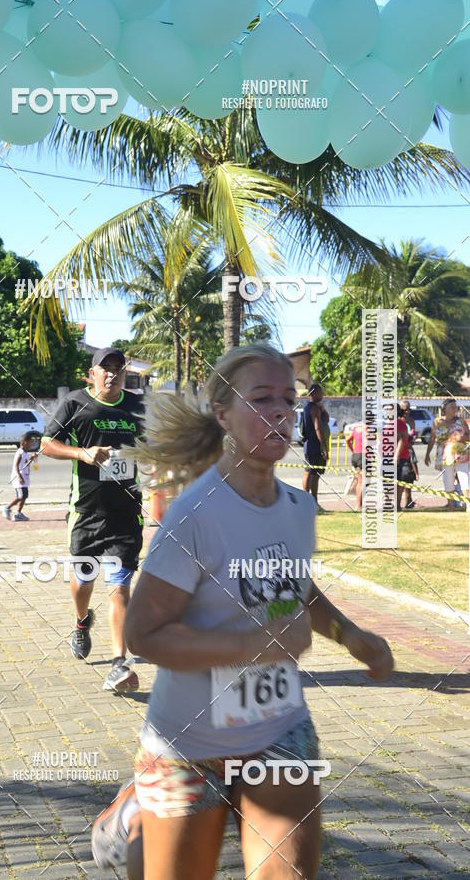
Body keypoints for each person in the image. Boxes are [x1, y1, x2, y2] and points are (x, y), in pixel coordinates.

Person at [91, 344, 394, 878]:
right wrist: (253, 646)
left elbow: (296, 588)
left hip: (279, 728)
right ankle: (133, 814)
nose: (280, 410)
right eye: (261, 399)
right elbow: (143, 634)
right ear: (223, 414)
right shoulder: (195, 516)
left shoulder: (298, 507)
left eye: (287, 398)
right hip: (187, 742)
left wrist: (350, 634)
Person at [40, 348, 145, 692]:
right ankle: (82, 622)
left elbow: (156, 446)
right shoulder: (74, 403)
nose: (113, 374)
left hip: (126, 513)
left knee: (119, 588)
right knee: (85, 581)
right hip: (86, 512)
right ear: (93, 373)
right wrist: (82, 454)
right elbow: (46, 444)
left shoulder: (137, 406)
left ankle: (119, 663)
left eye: (118, 368)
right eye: (106, 368)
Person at [425, 398, 470, 511]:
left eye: (456, 407)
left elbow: (469, 436)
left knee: (464, 479)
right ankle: (451, 507)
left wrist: (463, 438)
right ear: (444, 409)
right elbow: (432, 439)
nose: (455, 409)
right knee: (448, 481)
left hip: (461, 455)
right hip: (445, 456)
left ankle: (468, 506)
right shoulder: (437, 422)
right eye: (452, 407)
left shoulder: (461, 421)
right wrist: (427, 454)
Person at [301, 383, 330, 507]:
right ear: (313, 393)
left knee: (314, 473)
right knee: (311, 473)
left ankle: (312, 500)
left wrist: (323, 410)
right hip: (315, 445)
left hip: (311, 445)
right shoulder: (313, 408)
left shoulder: (313, 407)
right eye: (320, 392)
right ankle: (309, 501)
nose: (322, 394)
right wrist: (324, 447)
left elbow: (326, 420)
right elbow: (318, 428)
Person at [2, 433, 37, 521]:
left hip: (24, 477)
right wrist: (19, 476)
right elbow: (16, 465)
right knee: (20, 496)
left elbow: (25, 464)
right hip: (19, 478)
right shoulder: (20, 452)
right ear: (25, 442)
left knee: (24, 495)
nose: (31, 444)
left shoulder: (25, 453)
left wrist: (32, 458)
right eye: (30, 442)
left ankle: (18, 513)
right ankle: (7, 508)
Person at [345, 421, 365, 510]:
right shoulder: (367, 430)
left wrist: (352, 450)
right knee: (362, 482)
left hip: (355, 456)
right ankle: (359, 504)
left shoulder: (356, 429)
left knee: (358, 481)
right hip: (363, 456)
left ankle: (359, 503)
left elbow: (347, 440)